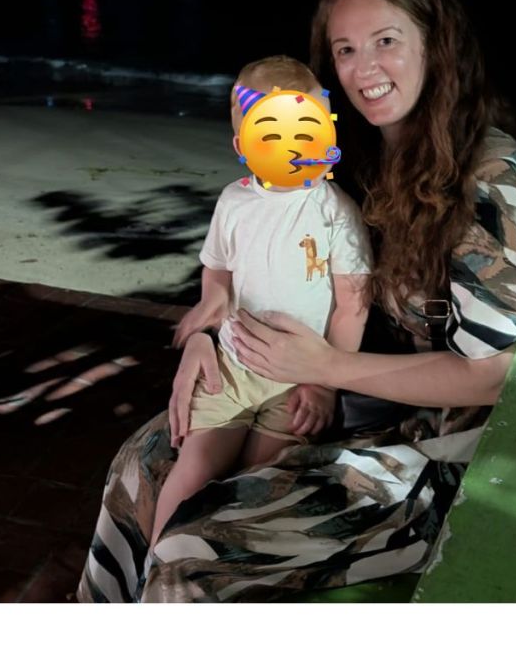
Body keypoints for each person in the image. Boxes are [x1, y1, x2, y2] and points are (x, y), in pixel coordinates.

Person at [77, 0, 516, 604]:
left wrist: (325, 368)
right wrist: (210, 336)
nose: (365, 67)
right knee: (144, 462)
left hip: (436, 448)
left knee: (193, 552)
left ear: (437, 47)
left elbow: (493, 374)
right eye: (346, 49)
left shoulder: (489, 179)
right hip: (340, 396)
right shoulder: (355, 163)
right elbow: (260, 267)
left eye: (387, 41)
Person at [146, 55, 373, 552]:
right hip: (232, 364)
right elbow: (218, 267)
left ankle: (218, 564)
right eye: (272, 136)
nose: (292, 148)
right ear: (243, 146)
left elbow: (352, 304)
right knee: (198, 466)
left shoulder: (335, 211)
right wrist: (212, 301)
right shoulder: (233, 202)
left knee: (258, 478)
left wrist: (324, 382)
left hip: (296, 377)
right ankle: (154, 565)